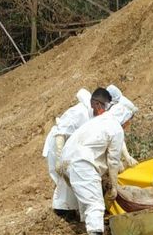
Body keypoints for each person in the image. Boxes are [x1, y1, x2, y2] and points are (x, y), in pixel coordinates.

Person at [58, 100, 137, 235]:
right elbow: (113, 161)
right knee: (95, 204)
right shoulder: (116, 128)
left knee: (85, 202)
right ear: (125, 118)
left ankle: (84, 232)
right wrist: (113, 187)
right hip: (81, 162)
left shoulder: (99, 121)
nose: (128, 125)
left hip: (66, 161)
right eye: (129, 122)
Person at [43, 87, 112, 221]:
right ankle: (63, 214)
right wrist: (58, 159)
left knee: (74, 183)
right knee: (65, 184)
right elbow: (60, 134)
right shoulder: (79, 112)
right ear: (97, 104)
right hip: (59, 146)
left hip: (72, 149)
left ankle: (74, 213)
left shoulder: (94, 116)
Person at [107, 84, 140, 169]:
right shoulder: (109, 122)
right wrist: (126, 158)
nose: (128, 124)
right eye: (129, 120)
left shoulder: (111, 118)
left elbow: (119, 139)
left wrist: (127, 157)